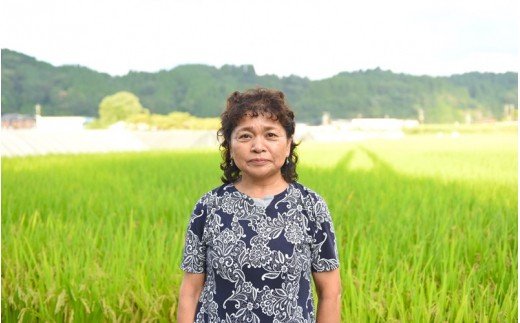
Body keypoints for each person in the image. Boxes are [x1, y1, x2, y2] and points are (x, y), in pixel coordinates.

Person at [177, 88, 341, 323]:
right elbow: (190, 292)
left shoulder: (310, 206)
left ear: (288, 145)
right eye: (245, 136)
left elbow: (330, 294)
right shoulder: (209, 206)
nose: (258, 146)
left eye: (271, 135)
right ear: (230, 147)